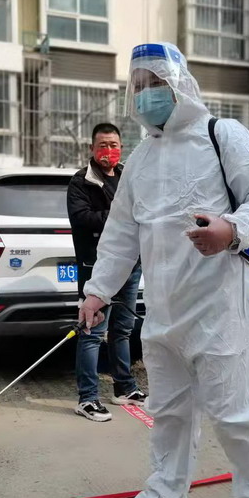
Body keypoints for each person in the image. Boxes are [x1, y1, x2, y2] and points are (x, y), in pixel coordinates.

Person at [79, 43, 249, 498]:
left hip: (220, 307)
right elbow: (121, 233)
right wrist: (98, 291)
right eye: (138, 86)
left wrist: (233, 228)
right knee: (170, 412)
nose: (146, 94)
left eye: (156, 82)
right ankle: (166, 495)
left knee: (239, 413)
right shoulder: (141, 159)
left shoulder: (223, 135)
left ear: (180, 84)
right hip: (164, 311)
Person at [67, 123, 147, 422]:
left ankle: (124, 387)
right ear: (92, 148)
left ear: (121, 148)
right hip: (97, 266)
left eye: (113, 145)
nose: (108, 151)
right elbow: (82, 218)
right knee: (92, 331)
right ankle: (87, 398)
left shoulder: (128, 176)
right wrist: (119, 214)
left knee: (123, 329)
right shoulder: (81, 182)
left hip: (130, 264)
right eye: (102, 145)